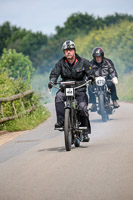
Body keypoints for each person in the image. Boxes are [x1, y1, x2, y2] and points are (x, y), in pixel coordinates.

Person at [48, 40, 94, 142]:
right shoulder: (60, 63)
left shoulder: (83, 62)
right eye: (66, 50)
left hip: (79, 88)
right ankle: (61, 122)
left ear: (74, 51)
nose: (68, 52)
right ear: (64, 52)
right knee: (58, 97)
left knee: (82, 107)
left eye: (70, 50)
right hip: (65, 88)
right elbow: (54, 73)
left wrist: (91, 77)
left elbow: (91, 72)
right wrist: (52, 81)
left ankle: (85, 132)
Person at [88, 47, 120, 112]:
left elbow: (112, 70)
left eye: (99, 56)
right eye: (96, 57)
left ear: (102, 56)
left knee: (111, 84)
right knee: (90, 87)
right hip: (95, 80)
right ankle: (93, 103)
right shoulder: (91, 63)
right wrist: (88, 79)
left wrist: (114, 77)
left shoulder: (108, 62)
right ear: (94, 57)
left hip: (106, 78)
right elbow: (88, 72)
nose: (98, 58)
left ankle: (114, 101)